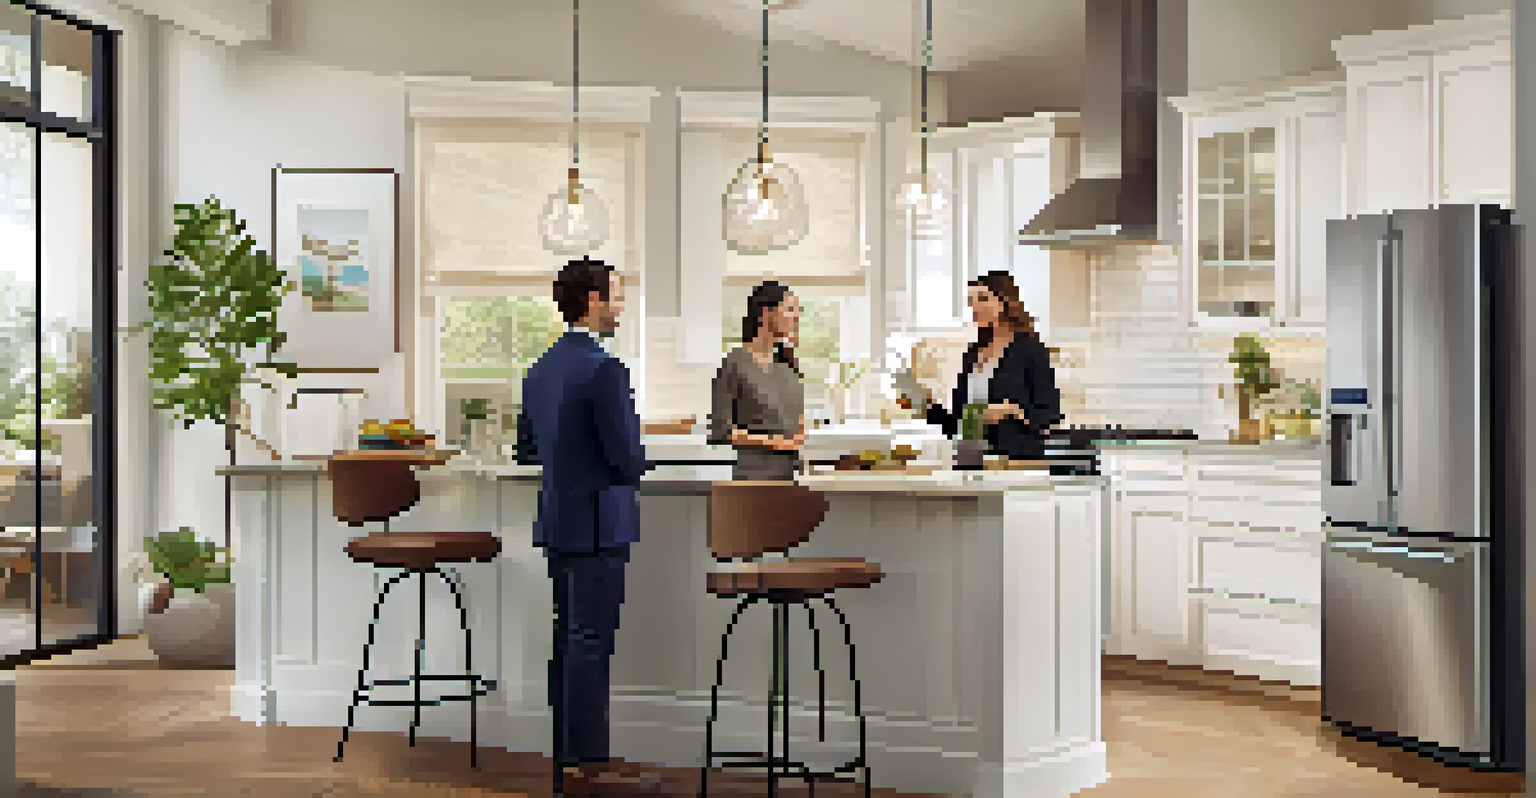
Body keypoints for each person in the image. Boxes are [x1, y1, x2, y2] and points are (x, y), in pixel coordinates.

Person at [516, 257, 659, 794]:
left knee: (569, 639)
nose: (622, 305)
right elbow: (627, 459)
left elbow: (527, 448)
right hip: (601, 523)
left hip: (559, 520)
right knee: (592, 641)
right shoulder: (605, 368)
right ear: (594, 301)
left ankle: (568, 757)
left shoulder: (541, 368)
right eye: (618, 295)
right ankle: (588, 763)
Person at [917, 270, 1062, 460]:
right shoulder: (972, 354)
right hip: (971, 460)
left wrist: (1012, 411)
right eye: (971, 300)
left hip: (1017, 461)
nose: (975, 306)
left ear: (1004, 302)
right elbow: (958, 424)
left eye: (983, 298)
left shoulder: (1030, 351)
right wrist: (927, 407)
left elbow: (1050, 414)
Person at [708, 281, 806, 481]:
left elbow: (797, 428)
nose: (795, 317)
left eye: (797, 311)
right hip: (753, 479)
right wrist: (777, 442)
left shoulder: (787, 365)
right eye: (789, 309)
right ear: (765, 313)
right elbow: (721, 431)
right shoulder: (734, 363)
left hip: (791, 479)